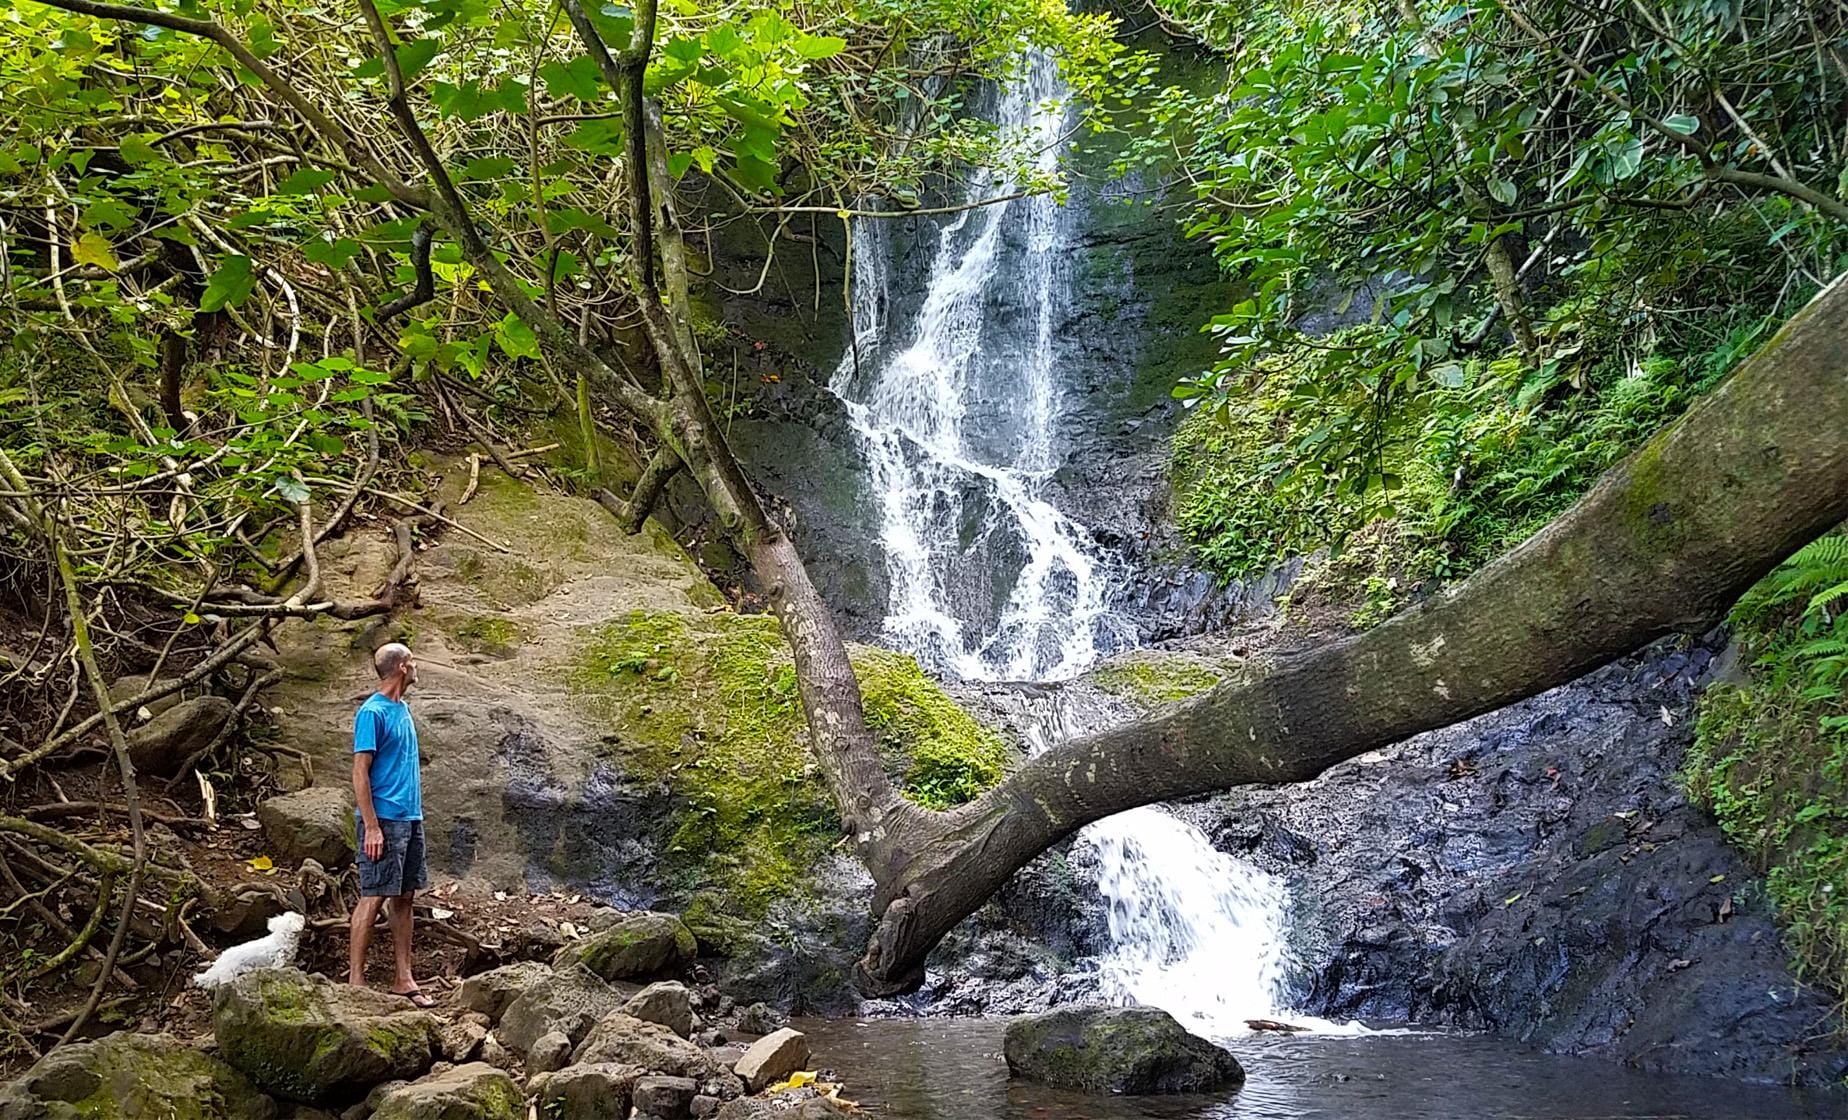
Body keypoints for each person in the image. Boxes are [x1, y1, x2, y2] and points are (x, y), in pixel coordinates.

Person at [348, 641, 434, 1006]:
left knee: (405, 895)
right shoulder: (373, 713)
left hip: (409, 816)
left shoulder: (403, 709)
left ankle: (404, 978)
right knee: (373, 894)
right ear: (401, 667)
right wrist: (371, 826)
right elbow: (360, 772)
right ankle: (356, 981)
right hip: (383, 819)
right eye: (412, 662)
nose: (417, 667)